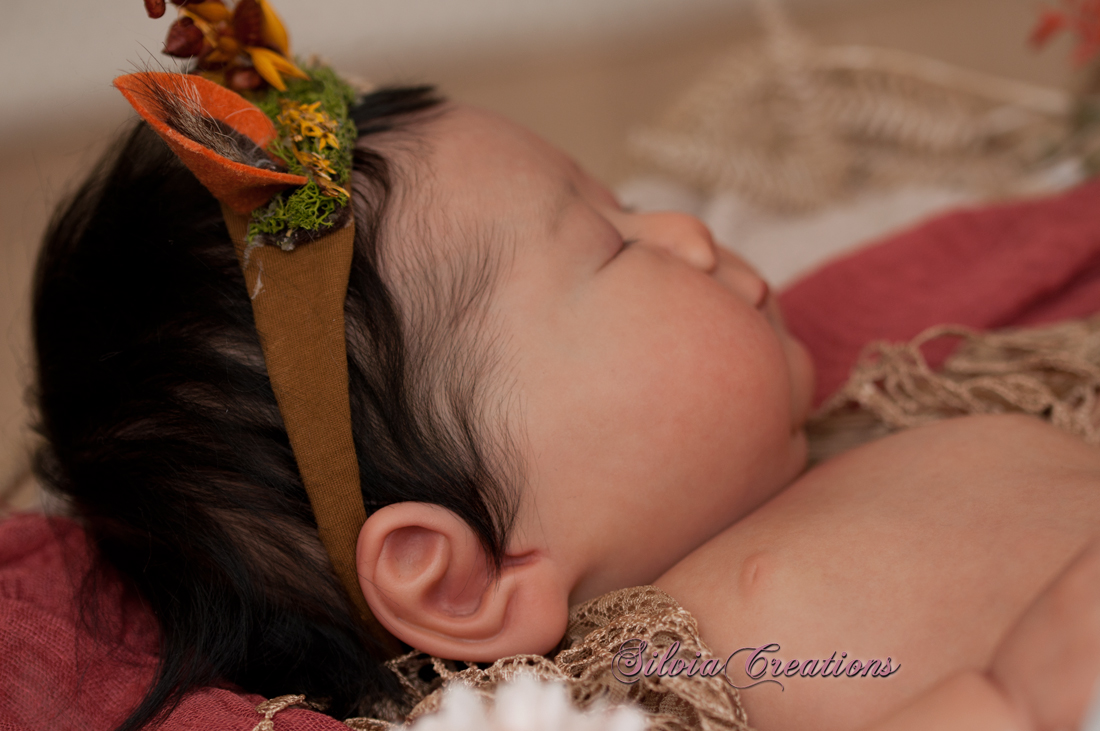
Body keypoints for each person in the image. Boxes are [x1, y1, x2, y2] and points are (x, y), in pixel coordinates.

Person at [31, 85, 1100, 731]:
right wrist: (1009, 703)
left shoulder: (845, 440)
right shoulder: (659, 680)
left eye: (629, 203)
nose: (689, 231)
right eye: (615, 243)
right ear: (462, 579)